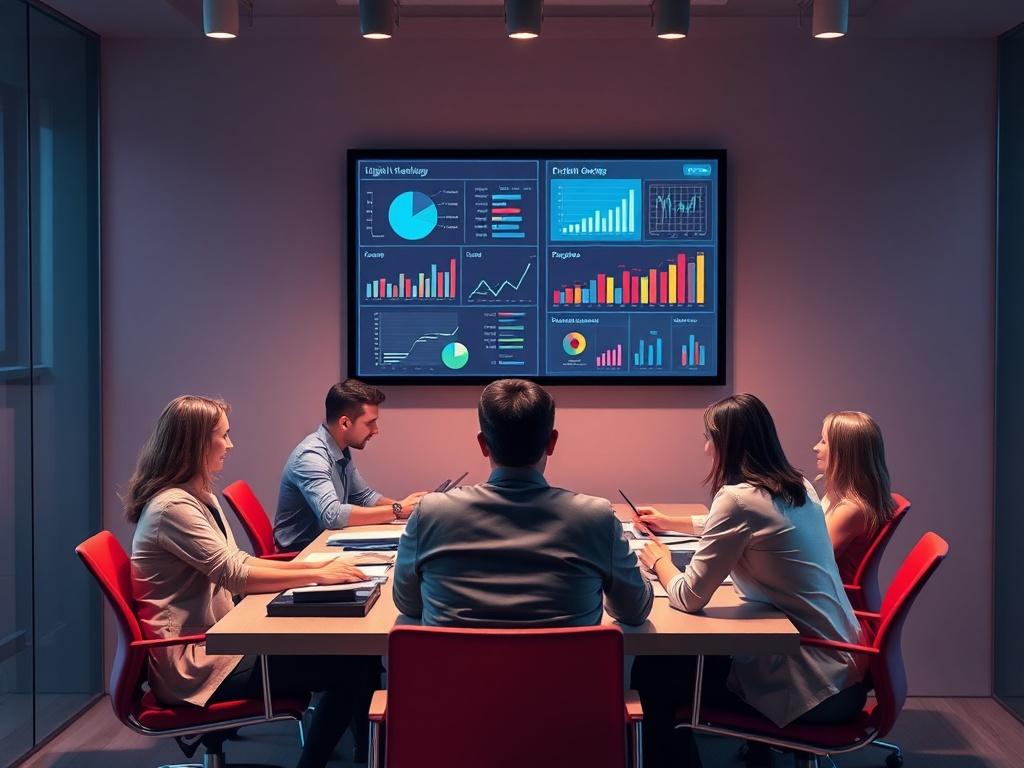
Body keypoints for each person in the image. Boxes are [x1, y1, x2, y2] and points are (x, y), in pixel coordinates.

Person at [126, 396, 381, 768]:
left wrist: (321, 571)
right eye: (223, 436)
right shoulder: (173, 508)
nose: (230, 446)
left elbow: (240, 564)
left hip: (220, 643)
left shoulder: (197, 496)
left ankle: (364, 755)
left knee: (357, 660)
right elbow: (238, 576)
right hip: (199, 664)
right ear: (196, 443)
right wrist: (317, 573)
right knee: (353, 667)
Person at [631, 394, 867, 768]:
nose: (706, 448)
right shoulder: (799, 487)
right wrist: (673, 523)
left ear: (726, 443)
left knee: (653, 671)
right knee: (671, 665)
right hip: (843, 668)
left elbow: (690, 596)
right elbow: (745, 524)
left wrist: (660, 562)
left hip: (812, 686)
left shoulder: (737, 499)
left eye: (709, 438)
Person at [393, 378, 653, 627]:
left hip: (456, 673)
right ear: (552, 442)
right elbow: (633, 611)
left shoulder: (430, 514)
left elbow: (410, 605)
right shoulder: (596, 518)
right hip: (562, 674)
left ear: (483, 444)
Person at [274, 379, 427, 551]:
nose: (376, 430)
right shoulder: (311, 457)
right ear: (345, 423)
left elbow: (364, 497)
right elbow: (333, 515)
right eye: (370, 422)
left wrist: (407, 509)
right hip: (301, 553)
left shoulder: (341, 449)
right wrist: (397, 509)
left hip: (324, 543)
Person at [812, 410, 898, 583]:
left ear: (844, 453)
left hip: (834, 603)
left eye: (824, 441)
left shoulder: (850, 510)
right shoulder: (839, 497)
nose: (815, 447)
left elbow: (811, 563)